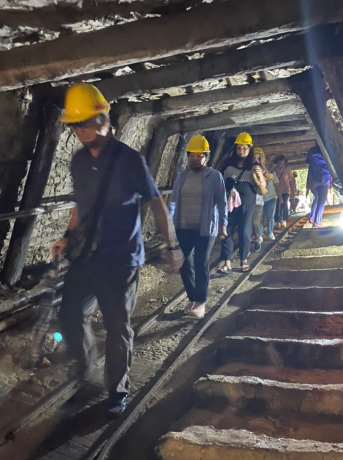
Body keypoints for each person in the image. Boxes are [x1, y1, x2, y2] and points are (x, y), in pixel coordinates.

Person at [49, 83, 183, 418]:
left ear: (103, 121)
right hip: (87, 255)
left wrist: (173, 245)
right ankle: (85, 374)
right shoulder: (79, 161)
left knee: (117, 326)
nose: (79, 132)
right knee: (70, 314)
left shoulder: (130, 160)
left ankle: (117, 391)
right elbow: (80, 205)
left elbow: (156, 203)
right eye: (74, 126)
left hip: (121, 259)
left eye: (84, 124)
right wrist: (66, 236)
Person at [168, 135, 227, 319]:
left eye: (199, 155)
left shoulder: (215, 176)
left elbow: (222, 202)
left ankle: (200, 302)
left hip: (205, 228)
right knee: (183, 263)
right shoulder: (182, 176)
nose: (195, 159)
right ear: (187, 156)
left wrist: (223, 225)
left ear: (206, 157)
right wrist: (169, 224)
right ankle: (193, 297)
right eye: (191, 155)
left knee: (201, 263)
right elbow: (173, 201)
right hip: (183, 226)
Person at [216, 132, 266, 274]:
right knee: (227, 232)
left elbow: (262, 190)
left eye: (245, 148)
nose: (242, 151)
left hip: (247, 205)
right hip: (230, 205)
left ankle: (244, 260)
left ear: (250, 149)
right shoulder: (228, 165)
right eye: (239, 148)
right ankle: (227, 263)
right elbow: (220, 183)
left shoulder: (254, 167)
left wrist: (260, 176)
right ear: (235, 149)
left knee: (244, 232)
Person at [252, 148, 277, 248]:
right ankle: (259, 235)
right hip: (253, 199)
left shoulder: (267, 171)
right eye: (254, 158)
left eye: (259, 158)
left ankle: (269, 233)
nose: (256, 160)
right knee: (258, 220)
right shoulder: (248, 169)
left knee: (268, 217)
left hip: (267, 198)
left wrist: (262, 170)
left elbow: (272, 178)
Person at [306, 143, 332, 228]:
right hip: (324, 178)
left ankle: (311, 217)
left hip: (313, 179)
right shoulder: (327, 150)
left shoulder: (311, 151)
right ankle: (317, 222)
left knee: (317, 197)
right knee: (321, 201)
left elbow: (307, 161)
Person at [271, 155, 296, 229]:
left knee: (284, 203)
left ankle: (284, 220)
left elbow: (292, 178)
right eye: (279, 161)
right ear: (277, 162)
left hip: (286, 190)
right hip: (276, 190)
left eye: (282, 161)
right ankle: (277, 221)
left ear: (284, 162)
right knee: (277, 205)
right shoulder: (274, 169)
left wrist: (294, 188)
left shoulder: (287, 169)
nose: (281, 162)